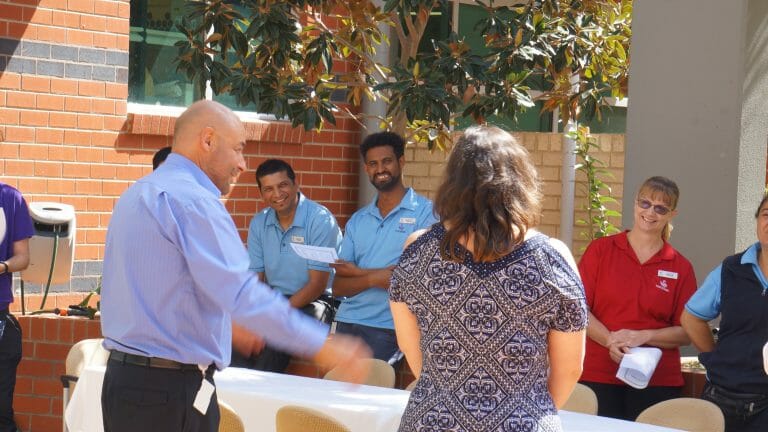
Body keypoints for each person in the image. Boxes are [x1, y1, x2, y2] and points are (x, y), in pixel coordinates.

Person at [99, 100, 369, 432]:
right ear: (208, 139)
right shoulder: (195, 202)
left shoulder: (136, 194)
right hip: (169, 392)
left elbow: (174, 286)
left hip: (124, 383)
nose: (243, 164)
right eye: (239, 149)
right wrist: (322, 346)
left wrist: (228, 318)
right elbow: (241, 293)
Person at [389, 125, 587, 432]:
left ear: (453, 182)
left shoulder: (417, 249)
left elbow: (410, 346)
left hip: (432, 420)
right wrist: (525, 410)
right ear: (520, 181)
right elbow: (571, 367)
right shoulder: (553, 258)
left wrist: (448, 394)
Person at [578, 176, 697, 420]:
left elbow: (687, 331)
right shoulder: (600, 251)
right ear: (635, 204)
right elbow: (578, 310)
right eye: (645, 203)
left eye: (660, 208)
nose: (650, 212)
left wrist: (646, 336)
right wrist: (610, 340)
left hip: (656, 380)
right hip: (598, 374)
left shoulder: (680, 266)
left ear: (671, 214)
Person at [331, 131, 437, 362]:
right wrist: (373, 278)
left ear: (401, 161)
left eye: (387, 161)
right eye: (373, 163)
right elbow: (338, 286)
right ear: (366, 169)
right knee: (330, 392)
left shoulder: (426, 214)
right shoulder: (358, 220)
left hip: (389, 326)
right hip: (348, 320)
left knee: (365, 392)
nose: (380, 169)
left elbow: (405, 279)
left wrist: (357, 273)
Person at [231, 158, 342, 372]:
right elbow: (256, 279)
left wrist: (275, 314)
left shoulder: (319, 219)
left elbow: (317, 285)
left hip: (317, 301)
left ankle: (261, 394)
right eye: (269, 189)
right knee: (236, 337)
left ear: (295, 184)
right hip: (276, 299)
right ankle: (238, 394)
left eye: (282, 185)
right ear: (262, 193)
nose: (277, 194)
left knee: (277, 335)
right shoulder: (259, 223)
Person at [681, 194, 768, 432]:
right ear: (757, 221)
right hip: (721, 397)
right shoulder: (731, 268)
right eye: (766, 214)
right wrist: (719, 357)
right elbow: (691, 317)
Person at [0, 183, 33, 432]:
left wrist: (3, 266)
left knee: (2, 414)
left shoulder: (11, 198)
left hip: (1, 319)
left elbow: (23, 256)